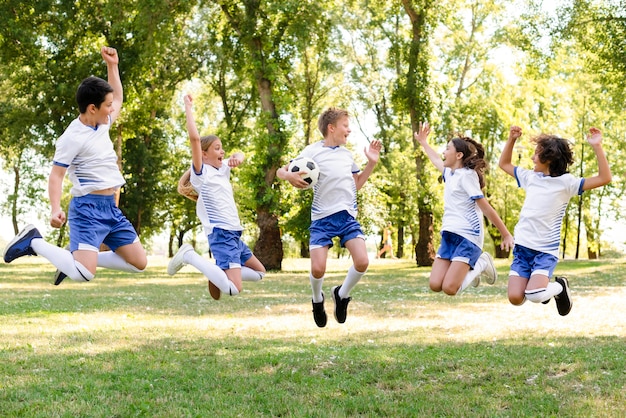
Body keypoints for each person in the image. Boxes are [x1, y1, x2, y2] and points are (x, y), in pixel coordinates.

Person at [2, 46, 148, 283]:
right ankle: (34, 241)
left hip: (110, 207)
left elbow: (119, 97)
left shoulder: (103, 123)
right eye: (107, 105)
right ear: (93, 108)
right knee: (85, 275)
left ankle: (71, 259)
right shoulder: (71, 138)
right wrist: (55, 208)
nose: (113, 108)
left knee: (139, 264)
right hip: (87, 208)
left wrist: (113, 65)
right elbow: (57, 175)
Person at [276, 107, 382, 327]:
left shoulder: (347, 154)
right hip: (322, 219)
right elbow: (281, 170)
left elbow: (357, 185)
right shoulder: (312, 151)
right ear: (331, 128)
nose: (349, 130)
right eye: (345, 125)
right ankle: (317, 299)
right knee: (318, 269)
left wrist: (371, 163)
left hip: (347, 218)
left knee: (362, 261)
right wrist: (288, 176)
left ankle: (341, 295)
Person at [499, 125, 611, 315]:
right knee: (516, 298)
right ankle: (544, 289)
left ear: (549, 158)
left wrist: (597, 146)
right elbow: (504, 164)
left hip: (545, 251)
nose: (532, 158)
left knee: (534, 295)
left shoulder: (567, 183)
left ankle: (560, 288)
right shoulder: (530, 177)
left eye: (536, 154)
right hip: (522, 249)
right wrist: (511, 140)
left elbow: (604, 178)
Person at [168, 94, 266, 300]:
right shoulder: (201, 173)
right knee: (233, 288)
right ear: (203, 154)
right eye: (217, 148)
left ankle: (217, 272)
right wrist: (188, 107)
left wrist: (238, 158)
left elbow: (240, 154)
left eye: (222, 148)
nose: (222, 151)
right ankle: (189, 256)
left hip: (234, 234)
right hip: (221, 233)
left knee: (259, 273)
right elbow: (194, 139)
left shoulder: (222, 169)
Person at [414, 122, 514, 296]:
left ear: (458, 155)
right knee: (435, 284)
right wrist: (423, 142)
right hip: (449, 235)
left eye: (447, 149)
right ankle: (471, 269)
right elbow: (435, 159)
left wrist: (505, 233)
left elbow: (485, 207)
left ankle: (482, 263)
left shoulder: (468, 176)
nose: (443, 153)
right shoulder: (449, 173)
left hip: (468, 237)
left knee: (450, 289)